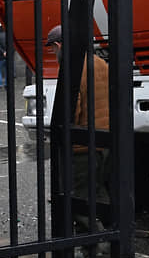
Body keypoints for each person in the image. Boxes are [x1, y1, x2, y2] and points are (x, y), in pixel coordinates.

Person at [45, 25, 111, 232]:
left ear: (58, 45)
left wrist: (59, 133)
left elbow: (71, 110)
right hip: (104, 140)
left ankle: (95, 245)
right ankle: (114, 236)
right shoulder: (100, 63)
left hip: (81, 145)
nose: (54, 54)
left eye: (53, 49)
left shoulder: (72, 68)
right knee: (99, 192)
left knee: (78, 198)